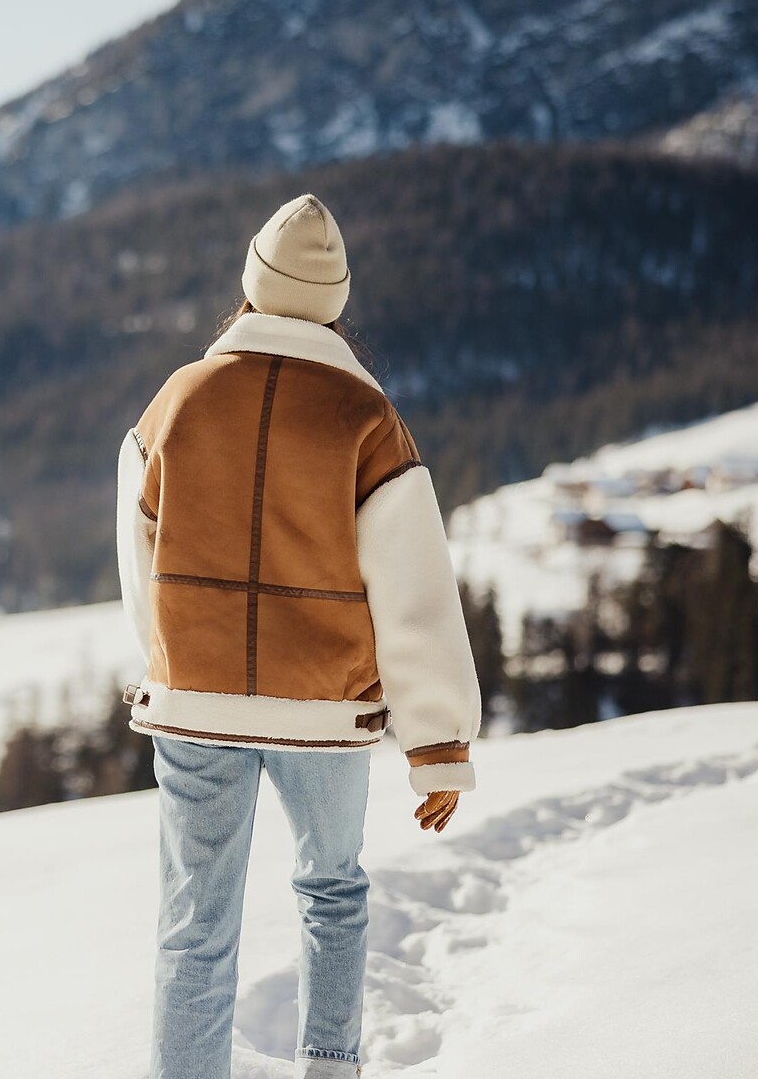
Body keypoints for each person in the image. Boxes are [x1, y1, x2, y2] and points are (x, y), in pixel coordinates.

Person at [116, 194, 482, 1079]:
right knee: (332, 890)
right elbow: (415, 590)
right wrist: (436, 745)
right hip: (322, 712)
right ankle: (329, 1067)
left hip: (193, 706)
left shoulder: (178, 400)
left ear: (251, 286)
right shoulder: (365, 417)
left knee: (195, 925)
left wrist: (171, 665)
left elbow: (140, 555)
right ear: (335, 303)